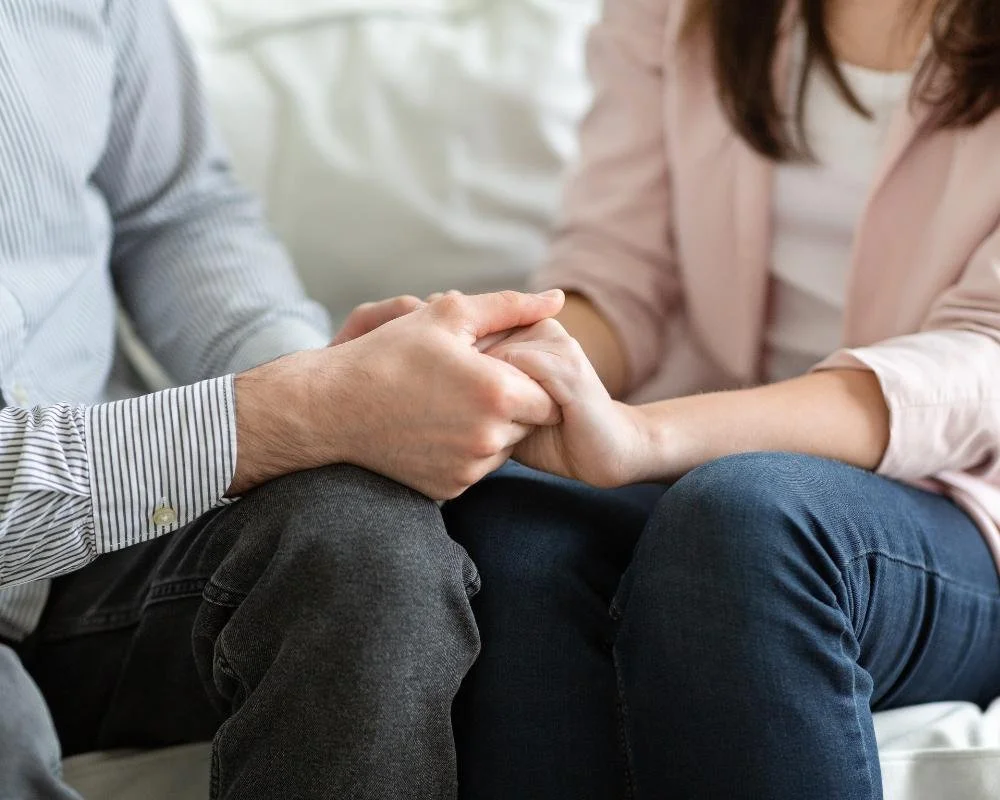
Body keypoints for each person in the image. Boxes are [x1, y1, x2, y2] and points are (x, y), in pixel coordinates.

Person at [0, 0, 566, 798]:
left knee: (361, 534)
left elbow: (173, 213)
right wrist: (301, 407)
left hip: (95, 554)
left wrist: (335, 383)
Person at [443, 0, 1000, 797]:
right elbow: (621, 271)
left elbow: (986, 360)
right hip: (703, 470)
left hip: (964, 509)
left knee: (748, 522)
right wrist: (496, 357)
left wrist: (646, 437)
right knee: (509, 528)